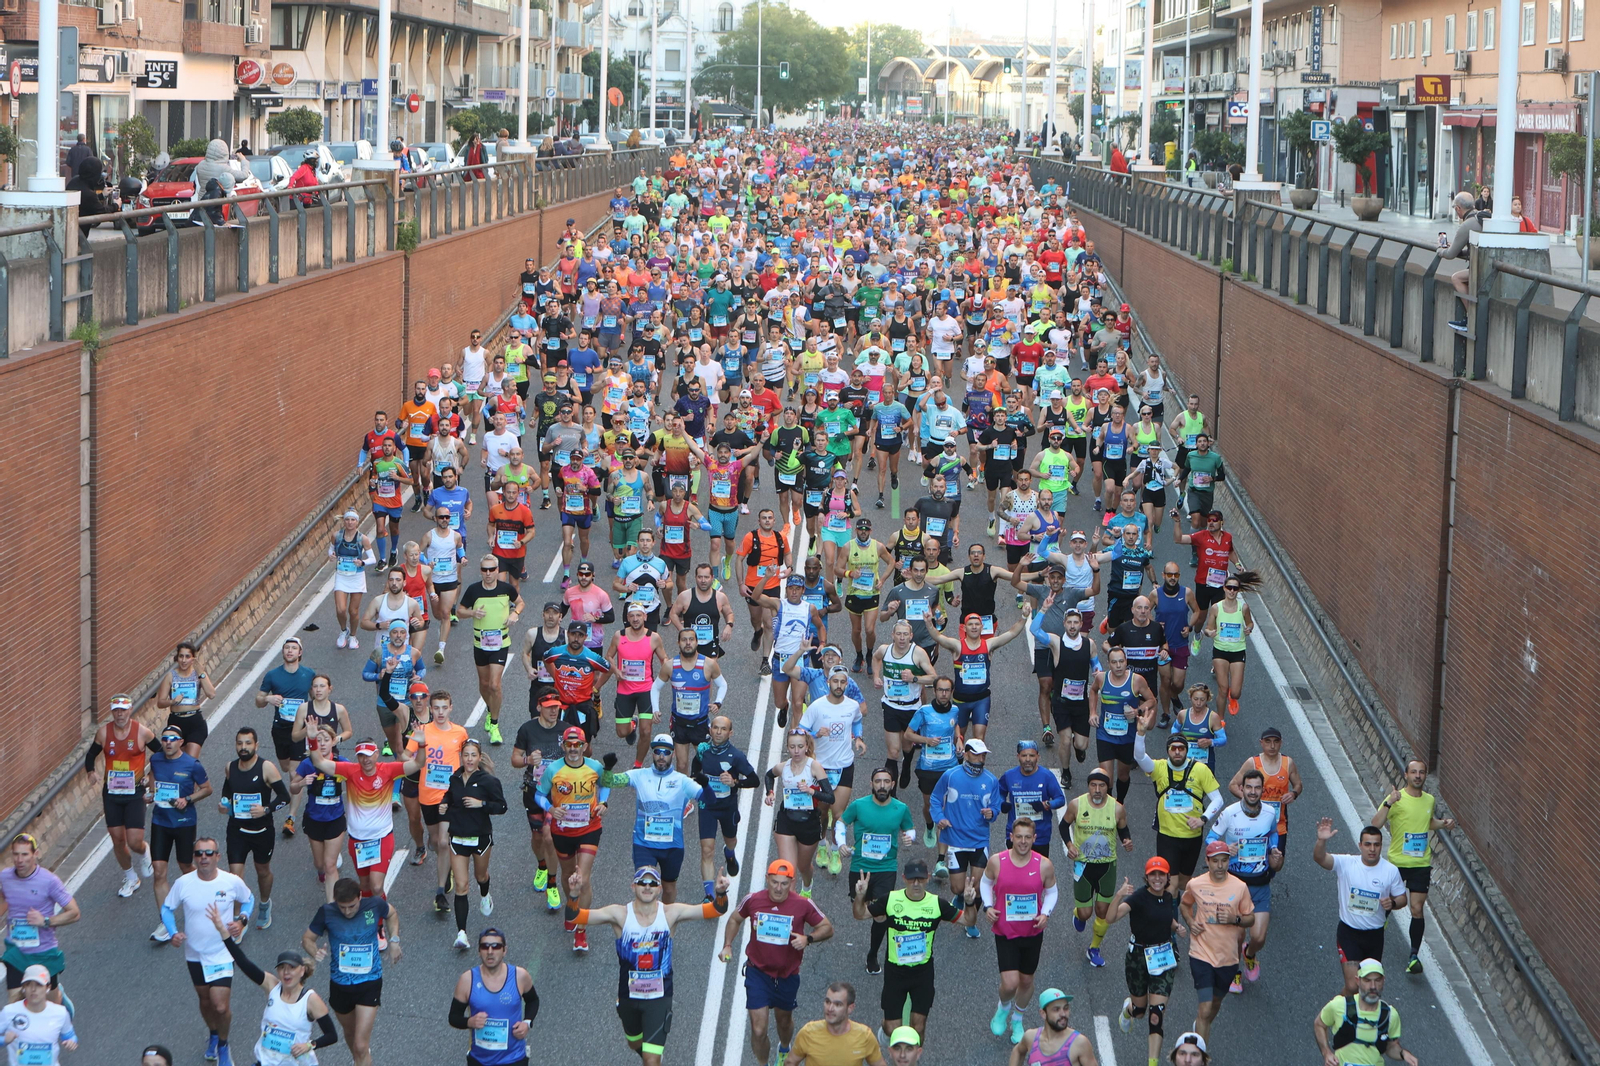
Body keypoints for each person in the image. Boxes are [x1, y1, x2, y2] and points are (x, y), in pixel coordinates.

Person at [565, 866, 729, 1066]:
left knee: (651, 1061)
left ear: (659, 889)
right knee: (634, 1043)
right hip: (628, 995)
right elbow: (575, 917)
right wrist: (574, 894)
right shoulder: (619, 915)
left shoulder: (671, 913)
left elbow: (716, 910)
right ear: (633, 886)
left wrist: (720, 893)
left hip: (659, 997)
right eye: (642, 882)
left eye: (652, 883)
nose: (647, 887)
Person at [719, 860, 833, 1066]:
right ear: (767, 880)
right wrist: (727, 944)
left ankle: (784, 1048)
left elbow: (827, 927)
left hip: (787, 975)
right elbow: (735, 918)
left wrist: (808, 939)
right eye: (774, 883)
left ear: (791, 883)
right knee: (758, 1029)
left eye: (784, 884)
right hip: (758, 972)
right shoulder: (753, 900)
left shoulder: (802, 904)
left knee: (784, 1021)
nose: (779, 888)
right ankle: (763, 1063)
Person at [854, 856, 978, 1041]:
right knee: (891, 1029)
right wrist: (860, 896)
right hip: (895, 971)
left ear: (928, 878)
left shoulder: (937, 904)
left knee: (918, 1026)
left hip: (922, 972)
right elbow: (859, 914)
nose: (916, 883)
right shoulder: (890, 899)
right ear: (904, 878)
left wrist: (969, 902)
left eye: (920, 879)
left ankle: (913, 1057)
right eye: (912, 879)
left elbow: (969, 920)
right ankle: (886, 1030)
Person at [160, 835, 256, 1066]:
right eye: (199, 853)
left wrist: (242, 920)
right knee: (205, 1001)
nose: (203, 857)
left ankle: (223, 1045)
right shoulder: (184, 883)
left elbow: (249, 899)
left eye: (209, 853)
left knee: (220, 1005)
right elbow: (167, 908)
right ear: (194, 858)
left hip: (223, 951)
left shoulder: (230, 881)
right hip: (194, 953)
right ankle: (213, 1034)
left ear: (217, 857)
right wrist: (173, 932)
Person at [207, 908, 336, 1066]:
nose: (286, 973)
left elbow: (331, 1035)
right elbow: (243, 962)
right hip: (266, 1061)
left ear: (302, 971)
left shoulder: (310, 1000)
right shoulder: (272, 986)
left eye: (292, 968)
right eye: (282, 968)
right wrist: (223, 931)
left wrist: (309, 1045)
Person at [1369, 757, 1456, 974]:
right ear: (1406, 775)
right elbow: (1375, 824)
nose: (1418, 776)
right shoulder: (1396, 798)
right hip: (1397, 863)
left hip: (1421, 863)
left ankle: (1414, 955)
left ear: (1425, 776)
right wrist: (1389, 802)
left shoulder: (1429, 800)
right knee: (1389, 904)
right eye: (1414, 772)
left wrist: (1443, 824)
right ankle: (1374, 934)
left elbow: (1427, 823)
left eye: (1422, 772)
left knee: (1416, 908)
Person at [978, 817, 1059, 1045]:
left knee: (1026, 981)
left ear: (1034, 839)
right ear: (1011, 837)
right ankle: (1003, 1007)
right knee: (1010, 983)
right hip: (1005, 930)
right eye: (1018, 837)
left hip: (1032, 931)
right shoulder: (997, 861)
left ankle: (1018, 1018)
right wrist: (987, 906)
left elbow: (1052, 891)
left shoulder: (1044, 864)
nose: (1023, 842)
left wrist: (1046, 913)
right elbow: (985, 883)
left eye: (1027, 838)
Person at [302, 878, 400, 1066]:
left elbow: (392, 914)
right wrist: (314, 951)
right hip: (340, 984)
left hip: (369, 982)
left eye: (352, 906)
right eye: (342, 907)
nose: (347, 911)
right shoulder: (327, 912)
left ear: (360, 897)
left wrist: (394, 940)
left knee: (361, 1045)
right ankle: (359, 1059)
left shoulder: (374, 905)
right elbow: (307, 938)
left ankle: (361, 1055)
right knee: (351, 1036)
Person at [1205, 767, 1283, 992]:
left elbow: (1273, 833)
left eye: (1257, 788)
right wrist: (1223, 849)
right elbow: (1210, 838)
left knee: (1259, 937)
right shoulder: (1229, 813)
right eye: (1248, 787)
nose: (1252, 791)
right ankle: (1234, 972)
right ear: (1241, 789)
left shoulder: (1269, 813)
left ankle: (1249, 954)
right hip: (1235, 884)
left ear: (1262, 790)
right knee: (1237, 934)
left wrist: (1274, 849)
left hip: (1260, 884)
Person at [534, 726, 609, 952]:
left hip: (589, 828)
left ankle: (580, 931)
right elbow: (539, 794)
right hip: (563, 830)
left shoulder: (595, 767)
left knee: (582, 878)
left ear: (585, 747)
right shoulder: (553, 770)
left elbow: (605, 785)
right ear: (563, 746)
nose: (574, 749)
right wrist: (549, 808)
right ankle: (571, 903)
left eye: (578, 745)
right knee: (568, 876)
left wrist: (603, 803)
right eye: (569, 745)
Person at [1132, 714, 1223, 896]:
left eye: (1181, 748)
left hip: (1192, 836)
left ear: (1186, 750)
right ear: (1168, 751)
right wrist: (1140, 733)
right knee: (1170, 885)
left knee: (1183, 883)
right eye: (1173, 748)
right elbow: (1140, 757)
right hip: (1167, 836)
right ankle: (1171, 922)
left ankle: (1177, 907)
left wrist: (1203, 819)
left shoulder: (1200, 770)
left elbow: (1218, 799)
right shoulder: (1159, 768)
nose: (1177, 752)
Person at [1313, 819, 1407, 994]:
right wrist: (1322, 840)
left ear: (1381, 846)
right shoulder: (1346, 863)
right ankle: (1333, 1013)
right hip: (1349, 933)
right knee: (1353, 985)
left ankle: (1354, 1016)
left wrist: (1392, 903)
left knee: (1368, 988)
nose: (1372, 849)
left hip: (1375, 936)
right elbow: (1319, 858)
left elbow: (1402, 898)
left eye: (1376, 845)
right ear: (1360, 845)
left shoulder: (1390, 870)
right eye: (1368, 844)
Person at [1109, 858, 1186, 1066]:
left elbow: (1163, 918)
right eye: (1153, 874)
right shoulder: (1138, 898)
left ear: (1168, 877)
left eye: (1162, 874)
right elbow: (1110, 918)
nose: (1158, 878)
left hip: (1163, 958)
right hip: (1138, 959)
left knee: (1156, 1015)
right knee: (1141, 1011)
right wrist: (1119, 895)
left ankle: (1152, 1063)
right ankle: (1129, 1009)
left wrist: (1176, 927)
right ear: (1147, 877)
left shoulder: (1169, 897)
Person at [1177, 841, 1253, 1047]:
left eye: (1224, 861)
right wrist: (1191, 922)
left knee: (1214, 1005)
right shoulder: (1196, 884)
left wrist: (1234, 919)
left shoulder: (1240, 887)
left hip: (1227, 957)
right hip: (1201, 953)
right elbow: (1185, 904)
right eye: (1215, 861)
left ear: (1229, 861)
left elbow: (1250, 919)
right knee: (1205, 1008)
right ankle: (1201, 1054)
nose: (1220, 866)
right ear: (1207, 862)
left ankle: (1201, 1027)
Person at [145, 726, 214, 943]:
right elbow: (153, 779)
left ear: (181, 742)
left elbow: (207, 788)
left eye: (172, 739)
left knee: (186, 867)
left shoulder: (192, 764)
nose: (167, 743)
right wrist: (151, 794)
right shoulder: (155, 760)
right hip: (160, 821)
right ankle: (166, 922)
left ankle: (208, 895)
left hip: (184, 822)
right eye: (164, 739)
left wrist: (189, 799)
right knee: (158, 871)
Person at [83, 693, 156, 897]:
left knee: (134, 841)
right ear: (112, 712)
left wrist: (149, 777)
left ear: (130, 710)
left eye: (123, 710)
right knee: (117, 839)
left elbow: (160, 754)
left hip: (135, 792)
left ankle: (143, 852)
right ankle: (131, 877)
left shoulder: (142, 732)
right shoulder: (104, 733)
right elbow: (90, 755)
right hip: (112, 792)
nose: (120, 714)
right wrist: (91, 771)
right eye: (116, 710)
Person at [219, 727, 291, 931]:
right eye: (240, 743)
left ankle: (265, 903)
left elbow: (284, 797)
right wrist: (224, 806)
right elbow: (227, 795)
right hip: (237, 830)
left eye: (248, 743)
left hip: (261, 831)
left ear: (256, 745)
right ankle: (237, 921)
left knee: (262, 871)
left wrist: (266, 809)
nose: (243, 747)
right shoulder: (230, 767)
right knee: (234, 877)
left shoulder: (266, 768)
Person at [1062, 768, 1133, 967]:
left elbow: (1123, 828)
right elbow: (1062, 825)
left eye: (1102, 785)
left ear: (1107, 788)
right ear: (1088, 786)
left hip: (1107, 867)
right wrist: (1069, 845)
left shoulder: (1117, 808)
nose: (1097, 789)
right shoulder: (1077, 804)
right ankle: (1078, 913)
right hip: (1083, 866)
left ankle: (1094, 948)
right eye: (1093, 785)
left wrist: (1126, 840)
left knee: (1102, 911)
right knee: (1086, 913)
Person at [441, 740, 508, 949]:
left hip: (480, 838)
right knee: (461, 885)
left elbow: (502, 806)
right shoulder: (454, 778)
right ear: (461, 757)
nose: (469, 759)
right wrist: (444, 804)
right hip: (458, 838)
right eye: (466, 755)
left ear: (479, 757)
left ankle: (485, 894)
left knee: (481, 876)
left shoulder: (488, 781)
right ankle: (462, 934)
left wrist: (482, 804)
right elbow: (450, 796)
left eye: (473, 755)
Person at [0, 834, 80, 1008]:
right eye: (16, 854)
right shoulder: (5, 877)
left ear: (35, 854)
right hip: (16, 951)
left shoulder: (49, 881)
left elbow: (74, 912)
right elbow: (4, 900)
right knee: (15, 1003)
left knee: (49, 1005)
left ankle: (59, 998)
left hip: (43, 951)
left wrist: (45, 921)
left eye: (25, 854)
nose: (19, 860)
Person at [447, 929, 540, 1066]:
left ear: (504, 950)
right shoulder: (467, 980)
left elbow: (533, 1000)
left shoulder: (519, 976)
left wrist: (527, 1022)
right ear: (479, 951)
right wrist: (470, 1022)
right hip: (479, 1060)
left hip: (514, 1059)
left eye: (496, 946)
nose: (490, 951)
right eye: (485, 946)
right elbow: (453, 1017)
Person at [255, 639, 316, 838]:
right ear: (283, 652)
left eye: (294, 648)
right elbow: (258, 701)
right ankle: (295, 791)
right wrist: (268, 699)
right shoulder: (273, 675)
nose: (290, 651)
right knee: (284, 766)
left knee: (293, 774)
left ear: (300, 652)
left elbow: (316, 697)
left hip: (300, 729)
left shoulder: (308, 674)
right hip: (279, 729)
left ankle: (291, 817)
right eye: (287, 648)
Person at [1311, 959, 1420, 1066]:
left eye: (1377, 980)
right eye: (1367, 980)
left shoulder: (1390, 1014)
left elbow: (1391, 1047)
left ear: (1383, 981)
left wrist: (1403, 1053)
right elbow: (1319, 1024)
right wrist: (1326, 1053)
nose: (1373, 986)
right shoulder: (1339, 1005)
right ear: (1358, 981)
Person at [786, 983, 885, 1066]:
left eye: (838, 1004)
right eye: (827, 1002)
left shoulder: (864, 1036)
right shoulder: (808, 1033)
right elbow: (790, 1062)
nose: (830, 1008)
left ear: (850, 1008)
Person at [1, 965, 77, 1065]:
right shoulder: (9, 1012)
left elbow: (69, 1035)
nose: (33, 989)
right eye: (28, 984)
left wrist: (71, 1042)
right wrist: (4, 1040)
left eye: (38, 984)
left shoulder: (60, 1013)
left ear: (48, 988)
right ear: (24, 988)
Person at [1006, 987, 1099, 1066]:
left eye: (1066, 1008)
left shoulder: (1079, 1043)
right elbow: (1018, 1051)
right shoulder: (1031, 1037)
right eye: (1056, 1009)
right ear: (1043, 1014)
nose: (1063, 1014)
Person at [1442, 190, 1483, 331]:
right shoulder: (1480, 217)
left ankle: (1471, 316)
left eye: (1455, 208)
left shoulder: (1467, 225)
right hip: (1488, 264)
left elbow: (1450, 254)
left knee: (1456, 278)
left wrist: (1439, 250)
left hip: (1480, 268)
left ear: (1459, 209)